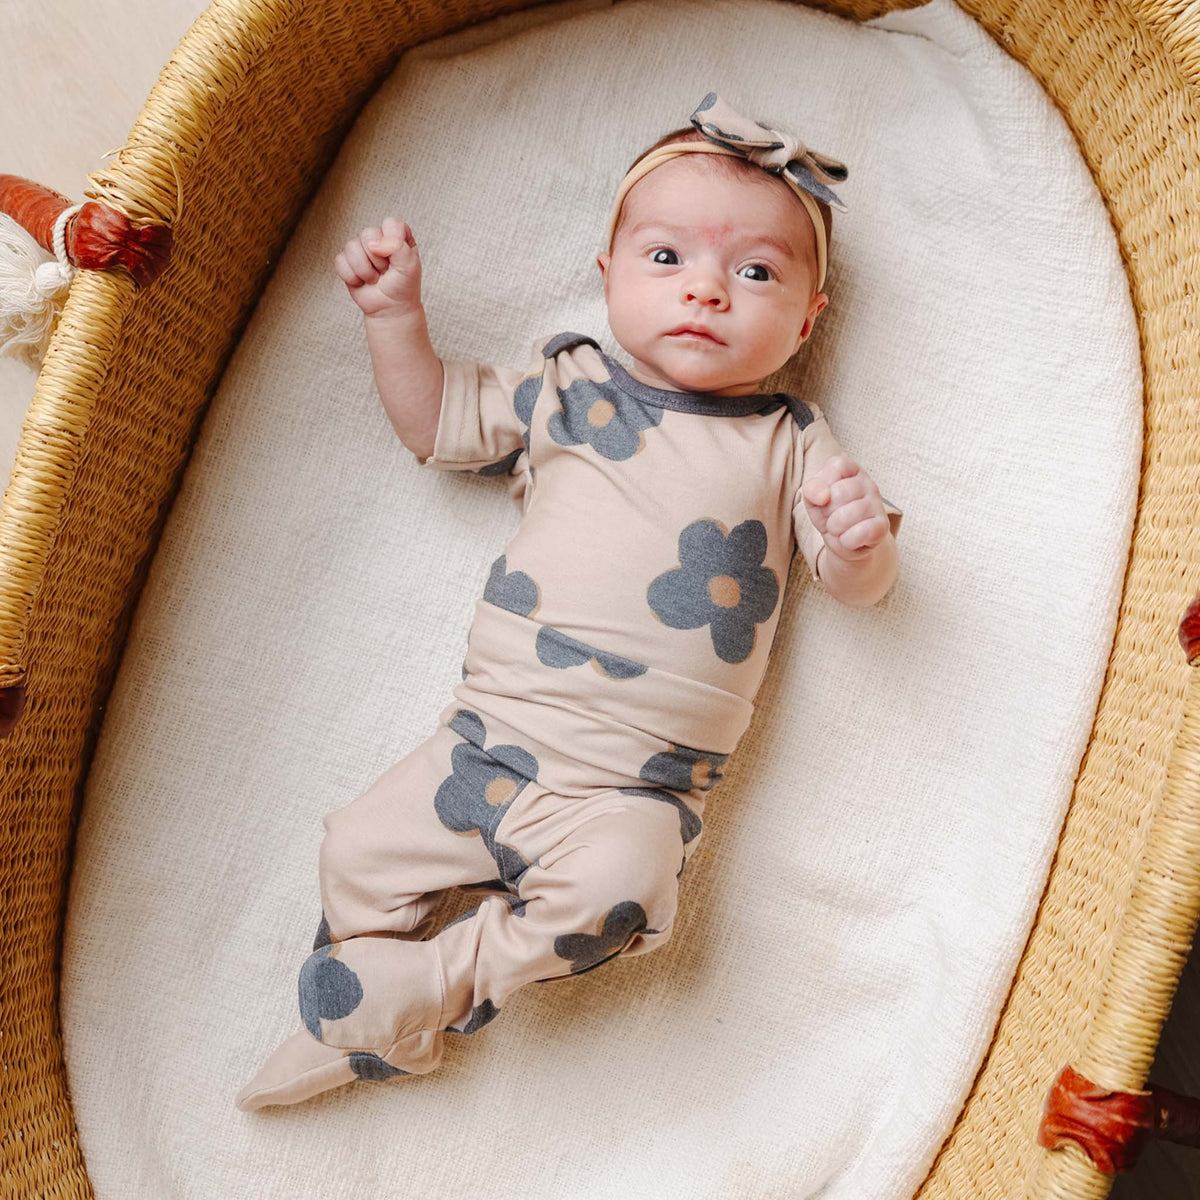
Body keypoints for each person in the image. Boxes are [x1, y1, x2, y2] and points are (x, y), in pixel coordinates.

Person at [235, 93, 902, 1111]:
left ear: (808, 322)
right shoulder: (570, 384)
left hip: (634, 792)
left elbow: (857, 585)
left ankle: (426, 988)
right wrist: (394, 320)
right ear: (607, 276)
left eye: (757, 272)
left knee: (621, 893)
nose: (708, 292)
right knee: (354, 849)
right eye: (667, 259)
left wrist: (860, 541)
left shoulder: (790, 441)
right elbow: (438, 424)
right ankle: (376, 1024)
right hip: (486, 743)